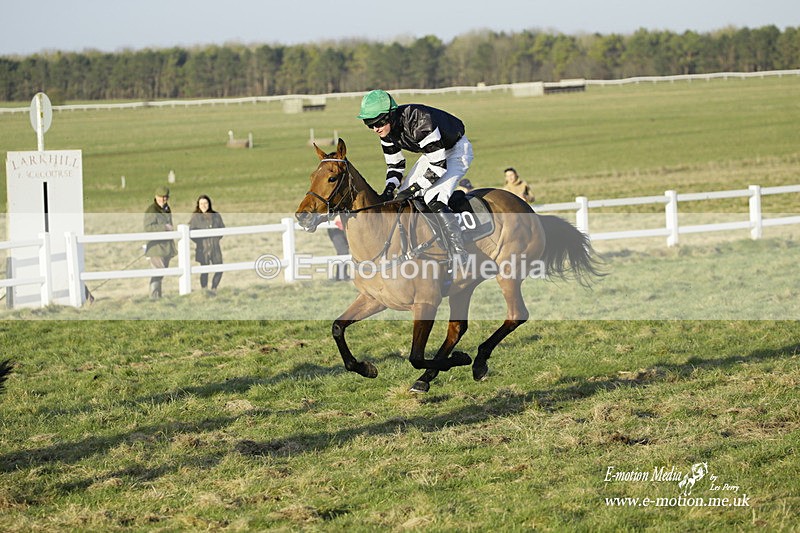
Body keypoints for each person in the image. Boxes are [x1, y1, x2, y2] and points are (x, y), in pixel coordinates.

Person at [357, 89, 472, 263]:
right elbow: (395, 165)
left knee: (434, 198)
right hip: (432, 154)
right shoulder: (386, 132)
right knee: (401, 200)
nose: (375, 128)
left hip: (456, 151)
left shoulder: (420, 120)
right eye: (369, 124)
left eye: (378, 122)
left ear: (390, 115)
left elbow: (439, 167)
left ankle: (458, 250)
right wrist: (389, 189)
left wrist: (412, 189)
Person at [144, 186, 176, 299]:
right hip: (156, 248)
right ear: (156, 197)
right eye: (161, 197)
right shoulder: (151, 210)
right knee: (157, 273)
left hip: (166, 247)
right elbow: (148, 227)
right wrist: (164, 227)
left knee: (161, 273)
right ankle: (154, 298)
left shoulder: (167, 208)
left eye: (166, 197)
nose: (163, 199)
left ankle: (158, 297)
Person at [189, 194, 225, 292]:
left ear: (209, 204)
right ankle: (204, 290)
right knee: (204, 270)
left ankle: (214, 288)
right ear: (198, 205)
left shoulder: (216, 216)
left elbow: (222, 229)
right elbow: (191, 232)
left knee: (220, 268)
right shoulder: (195, 217)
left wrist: (215, 239)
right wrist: (201, 242)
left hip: (215, 248)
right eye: (201, 203)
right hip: (203, 249)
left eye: (205, 203)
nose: (204, 205)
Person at [326, 215, 351, 281]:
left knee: (344, 252)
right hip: (335, 227)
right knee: (343, 251)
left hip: (347, 226)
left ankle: (340, 275)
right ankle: (342, 276)